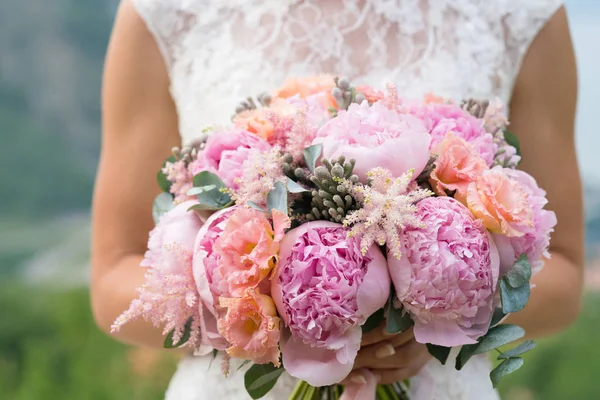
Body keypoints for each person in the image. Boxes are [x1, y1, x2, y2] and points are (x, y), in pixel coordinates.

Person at [91, 1, 584, 398]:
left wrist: (431, 317)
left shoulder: (522, 12)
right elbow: (114, 273)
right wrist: (264, 319)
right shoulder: (164, 11)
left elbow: (562, 273)